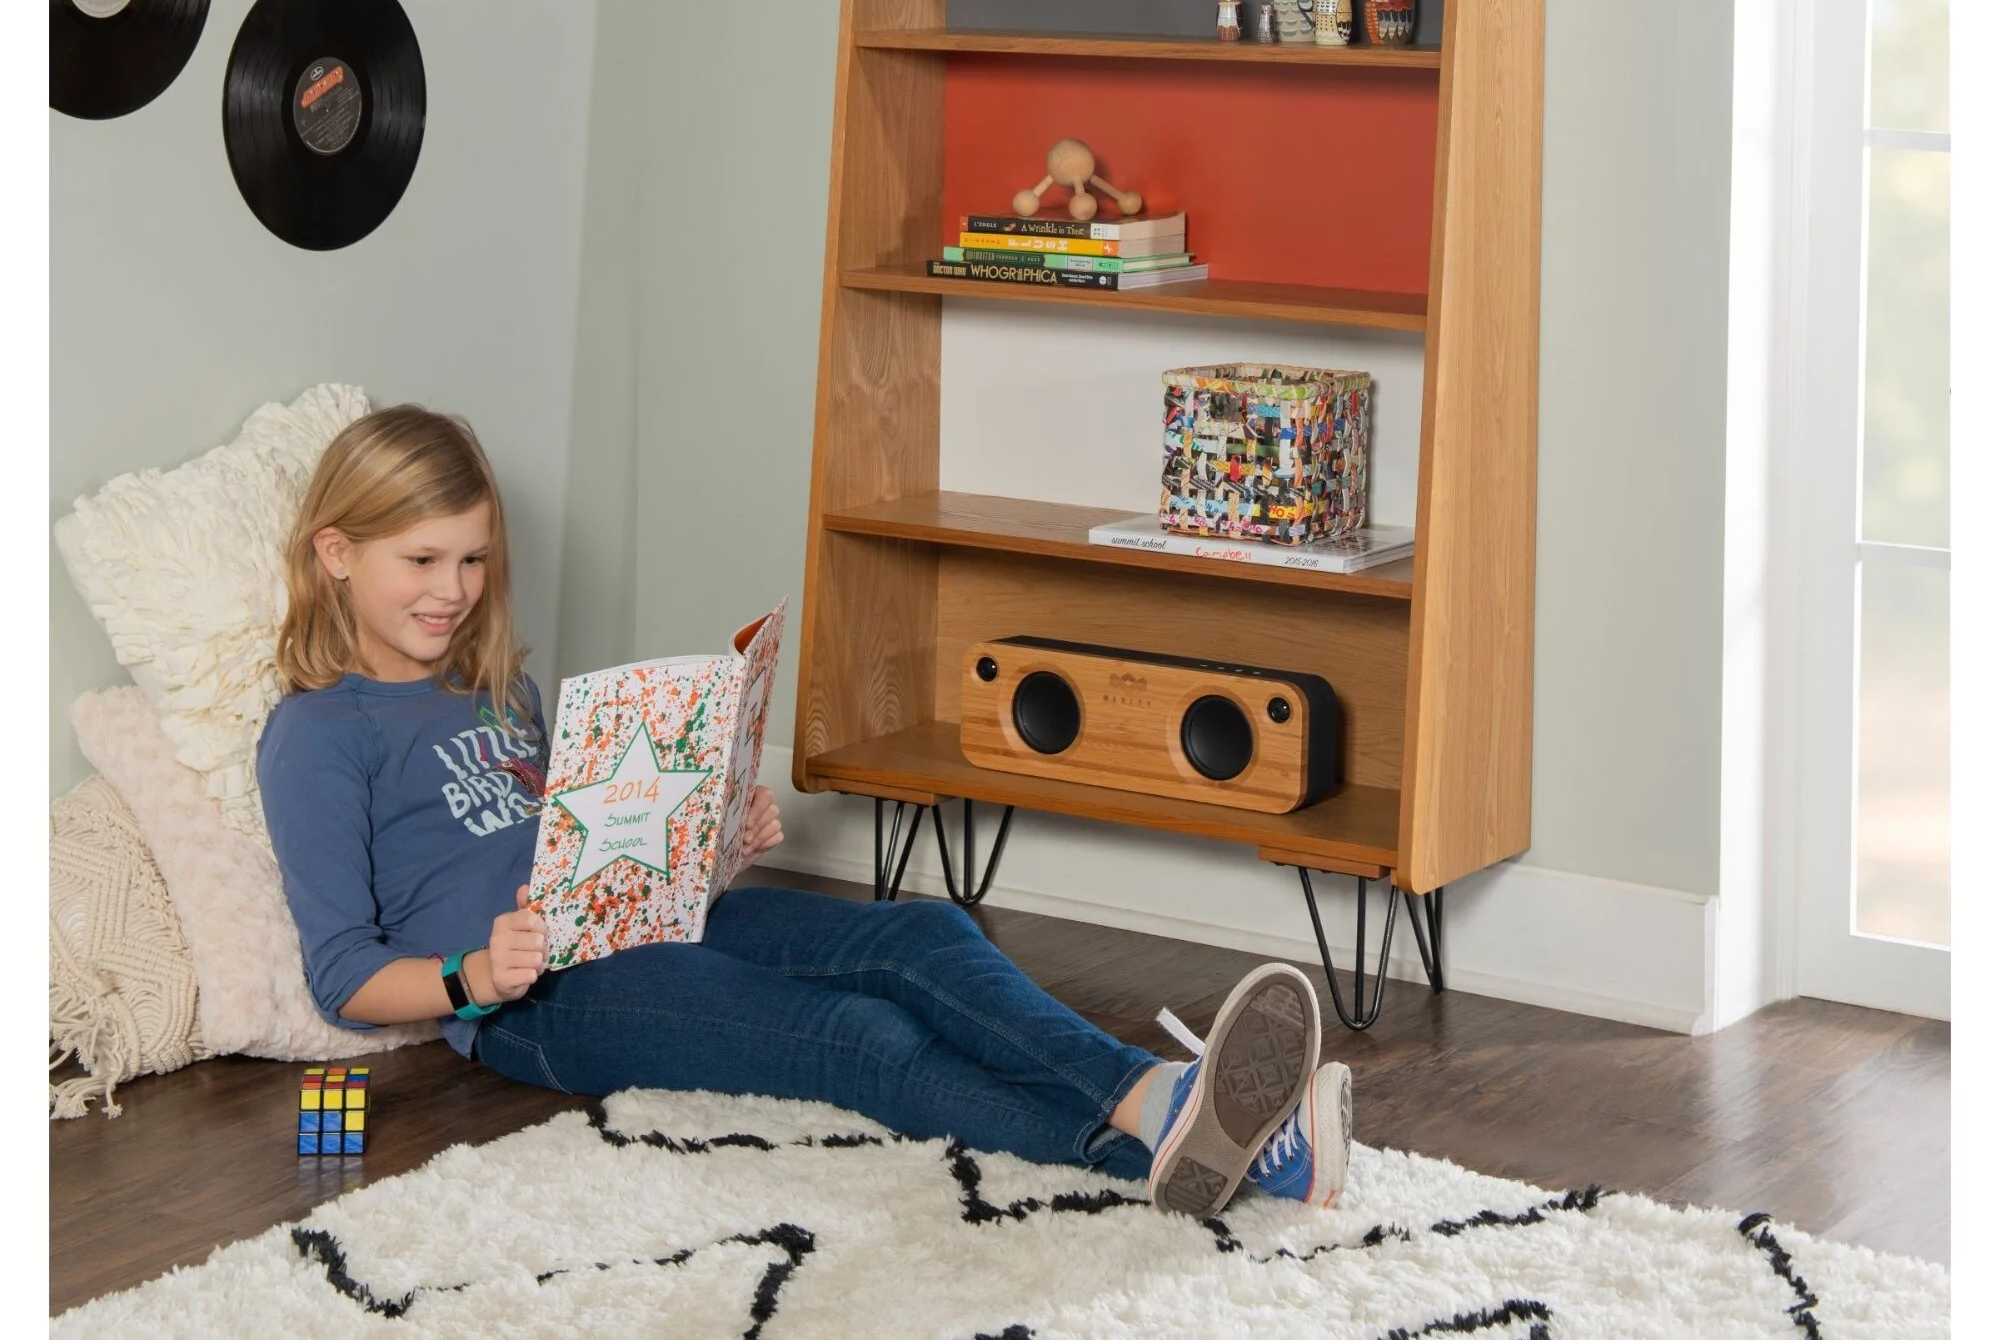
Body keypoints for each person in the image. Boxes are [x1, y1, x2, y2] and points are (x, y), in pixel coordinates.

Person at [260, 408, 1353, 1217]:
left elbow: (586, 849)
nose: (449, 590)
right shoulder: (317, 733)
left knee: (922, 932)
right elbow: (341, 973)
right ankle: (1202, 1142)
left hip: (637, 922)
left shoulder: (501, 689)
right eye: (420, 560)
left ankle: (1179, 1110)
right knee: (861, 1037)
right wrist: (472, 977)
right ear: (336, 553)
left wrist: (706, 842)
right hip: (538, 1004)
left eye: (470, 559)